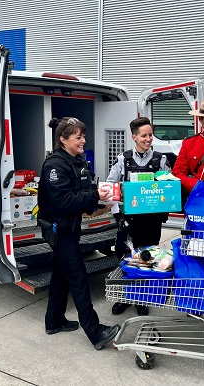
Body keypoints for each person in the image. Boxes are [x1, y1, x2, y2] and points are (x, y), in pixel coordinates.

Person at [37, 117, 120, 350]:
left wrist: (101, 196)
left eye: (83, 136)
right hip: (60, 231)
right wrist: (95, 197)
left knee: (61, 276)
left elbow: (82, 192)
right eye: (78, 137)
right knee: (78, 278)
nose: (83, 140)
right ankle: (95, 332)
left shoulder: (76, 161)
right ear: (63, 140)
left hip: (70, 229)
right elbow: (62, 201)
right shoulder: (55, 166)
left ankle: (53, 321)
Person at [106, 117, 171, 316]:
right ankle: (125, 297)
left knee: (147, 258)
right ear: (134, 137)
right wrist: (116, 213)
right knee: (125, 257)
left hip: (151, 221)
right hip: (129, 221)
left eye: (150, 135)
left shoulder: (160, 160)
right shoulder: (122, 159)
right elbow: (111, 186)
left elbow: (169, 187)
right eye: (144, 135)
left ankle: (142, 298)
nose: (148, 139)